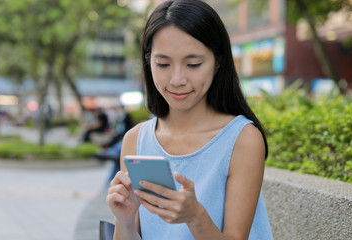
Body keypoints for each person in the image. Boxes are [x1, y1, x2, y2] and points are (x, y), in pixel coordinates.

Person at [106, 0, 273, 239]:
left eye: (193, 64)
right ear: (148, 61)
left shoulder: (242, 139)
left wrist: (195, 217)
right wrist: (123, 221)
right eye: (163, 64)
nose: (177, 79)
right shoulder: (135, 140)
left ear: (218, 62)